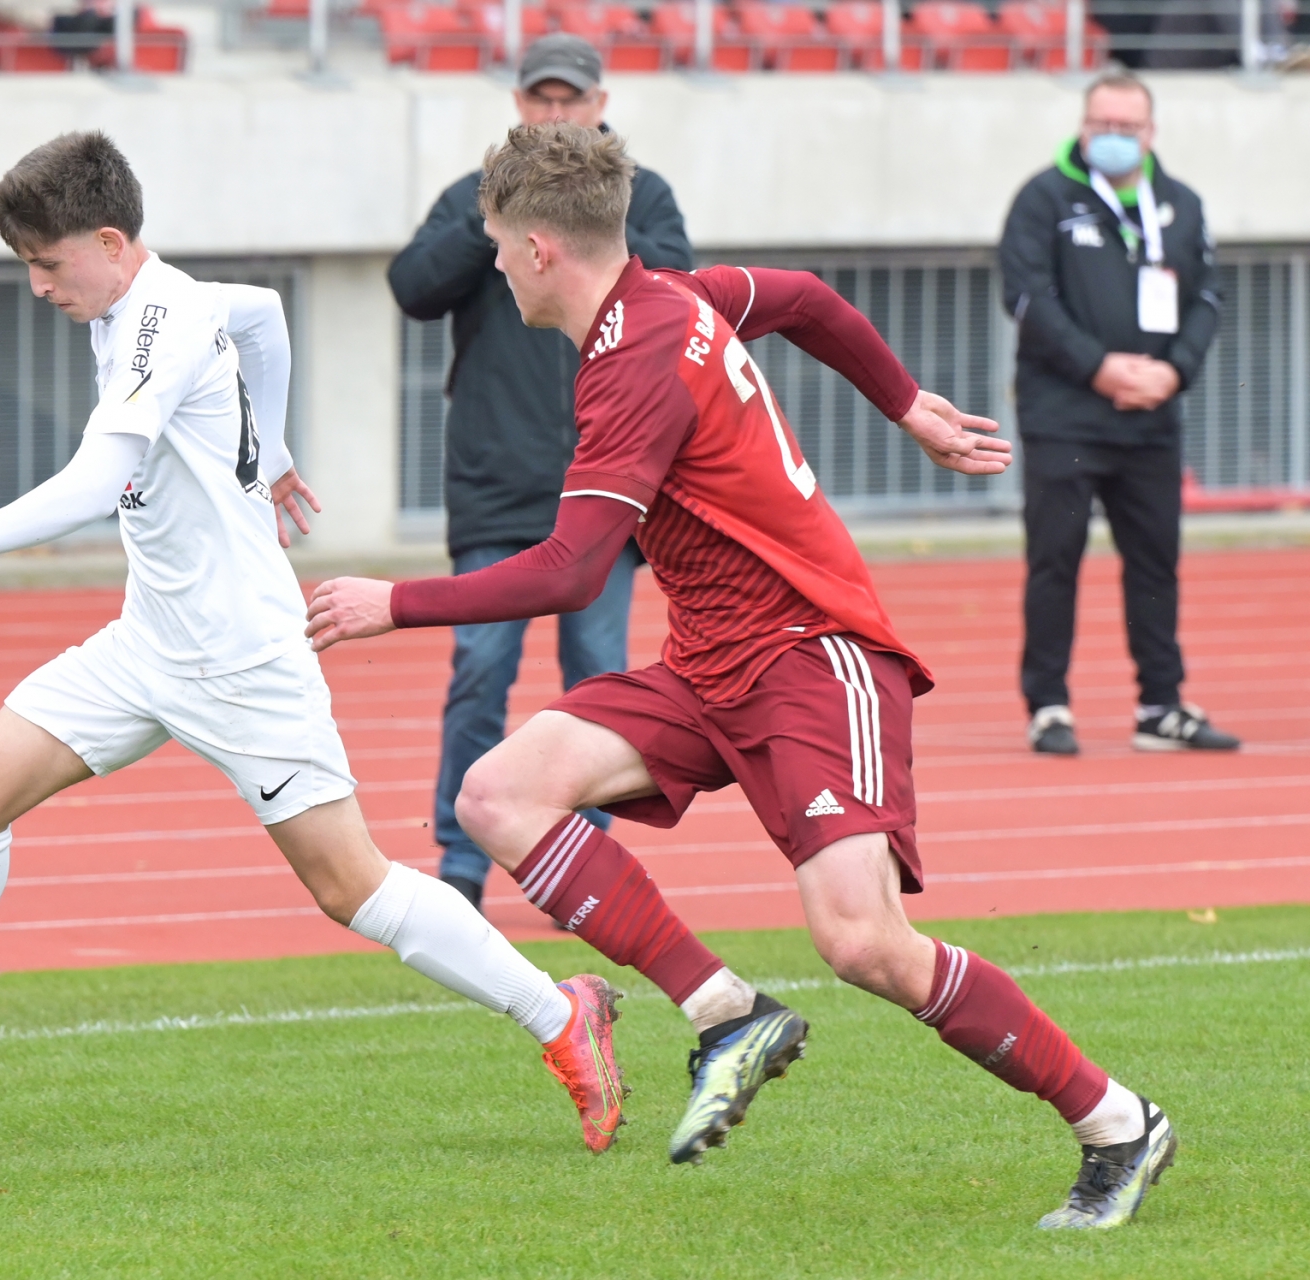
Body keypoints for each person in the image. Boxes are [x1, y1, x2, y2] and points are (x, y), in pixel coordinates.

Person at [309, 123, 1176, 1230]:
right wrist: (907, 404)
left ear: (536, 249)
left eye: (493, 241)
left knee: (863, 944)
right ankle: (727, 1011)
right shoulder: (672, 294)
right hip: (710, 662)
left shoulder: (634, 359)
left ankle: (1116, 1121)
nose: (490, 261)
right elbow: (806, 299)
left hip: (811, 656)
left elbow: (572, 570)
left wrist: (393, 602)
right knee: (498, 794)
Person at [0, 131, 629, 1153]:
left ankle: (561, 1012)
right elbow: (261, 312)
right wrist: (275, 447)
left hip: (244, 660)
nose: (37, 287)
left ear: (111, 242)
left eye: (46, 264)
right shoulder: (153, 299)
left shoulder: (158, 326)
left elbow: (93, 483)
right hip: (146, 644)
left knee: (350, 886)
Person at [388, 32, 693, 913]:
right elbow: (412, 287)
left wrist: (584, 221)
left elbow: (679, 288)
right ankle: (461, 859)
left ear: (600, 107)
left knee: (598, 683)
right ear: (520, 106)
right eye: (542, 99)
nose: (557, 114)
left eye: (572, 100)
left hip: (607, 485)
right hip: (496, 485)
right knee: (479, 673)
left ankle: (583, 862)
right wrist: (497, 215)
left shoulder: (643, 196)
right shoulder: (472, 197)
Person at [1000, 70, 1238, 757]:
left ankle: (1161, 705)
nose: (1113, 137)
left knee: (1156, 563)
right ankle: (1048, 705)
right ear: (1082, 127)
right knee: (1055, 561)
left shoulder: (1181, 204)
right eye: (1101, 125)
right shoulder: (1044, 199)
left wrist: (1173, 371)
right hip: (1065, 418)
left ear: (1150, 132)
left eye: (1126, 127)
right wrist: (1098, 367)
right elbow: (1026, 297)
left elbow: (1208, 298)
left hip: (1150, 419)